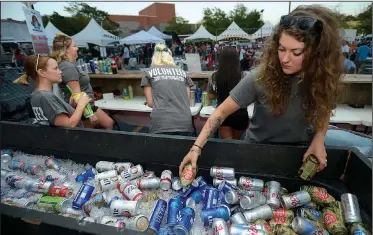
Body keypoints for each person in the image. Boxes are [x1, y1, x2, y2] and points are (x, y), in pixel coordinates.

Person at [179, 5, 372, 176]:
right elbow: (220, 112)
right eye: (281, 49)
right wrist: (196, 148)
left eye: (296, 52)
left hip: (299, 151)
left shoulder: (324, 77)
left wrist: (320, 138)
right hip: (258, 149)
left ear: (317, 53)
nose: (285, 59)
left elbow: (324, 109)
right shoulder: (260, 77)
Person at [51, 33, 114, 130]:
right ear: (66, 49)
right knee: (107, 124)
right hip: (84, 108)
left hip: (86, 106)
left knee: (105, 125)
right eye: (74, 46)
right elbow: (77, 95)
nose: (77, 48)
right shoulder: (68, 67)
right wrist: (90, 114)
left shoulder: (68, 65)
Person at [13, 55, 90, 128]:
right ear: (41, 72)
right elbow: (69, 124)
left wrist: (70, 105)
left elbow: (52, 118)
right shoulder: (46, 96)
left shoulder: (37, 95)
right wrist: (81, 105)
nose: (60, 72)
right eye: (55, 68)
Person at [141, 43, 195, 136]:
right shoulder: (183, 73)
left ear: (154, 56)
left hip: (162, 123)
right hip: (184, 122)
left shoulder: (148, 73)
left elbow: (150, 103)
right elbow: (187, 100)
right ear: (170, 56)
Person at [208, 46, 249, 139]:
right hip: (240, 114)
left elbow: (211, 96)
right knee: (236, 141)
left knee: (227, 142)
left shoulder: (214, 76)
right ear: (237, 59)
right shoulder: (244, 76)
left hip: (222, 113)